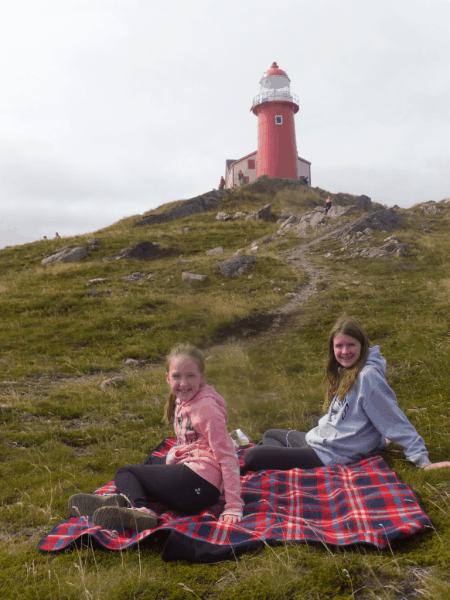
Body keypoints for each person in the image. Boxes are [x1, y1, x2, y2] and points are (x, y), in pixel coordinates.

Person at [68, 344, 244, 532]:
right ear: (168, 378)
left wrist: (233, 506)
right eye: (177, 376)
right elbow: (194, 442)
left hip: (199, 486)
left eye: (190, 376)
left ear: (202, 377)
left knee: (125, 473)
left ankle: (140, 509)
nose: (183, 383)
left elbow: (228, 456)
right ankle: (121, 499)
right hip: (195, 479)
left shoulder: (206, 409)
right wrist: (176, 453)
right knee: (152, 460)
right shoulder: (185, 400)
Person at [245, 317, 449, 473]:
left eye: (351, 345)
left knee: (253, 456)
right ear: (332, 348)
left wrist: (422, 460)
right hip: (321, 440)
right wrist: (377, 441)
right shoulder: (347, 371)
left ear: (362, 345)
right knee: (270, 434)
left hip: (331, 454)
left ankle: (289, 468)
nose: (344, 351)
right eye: (339, 346)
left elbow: (393, 419)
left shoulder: (367, 377)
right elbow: (359, 415)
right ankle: (287, 466)